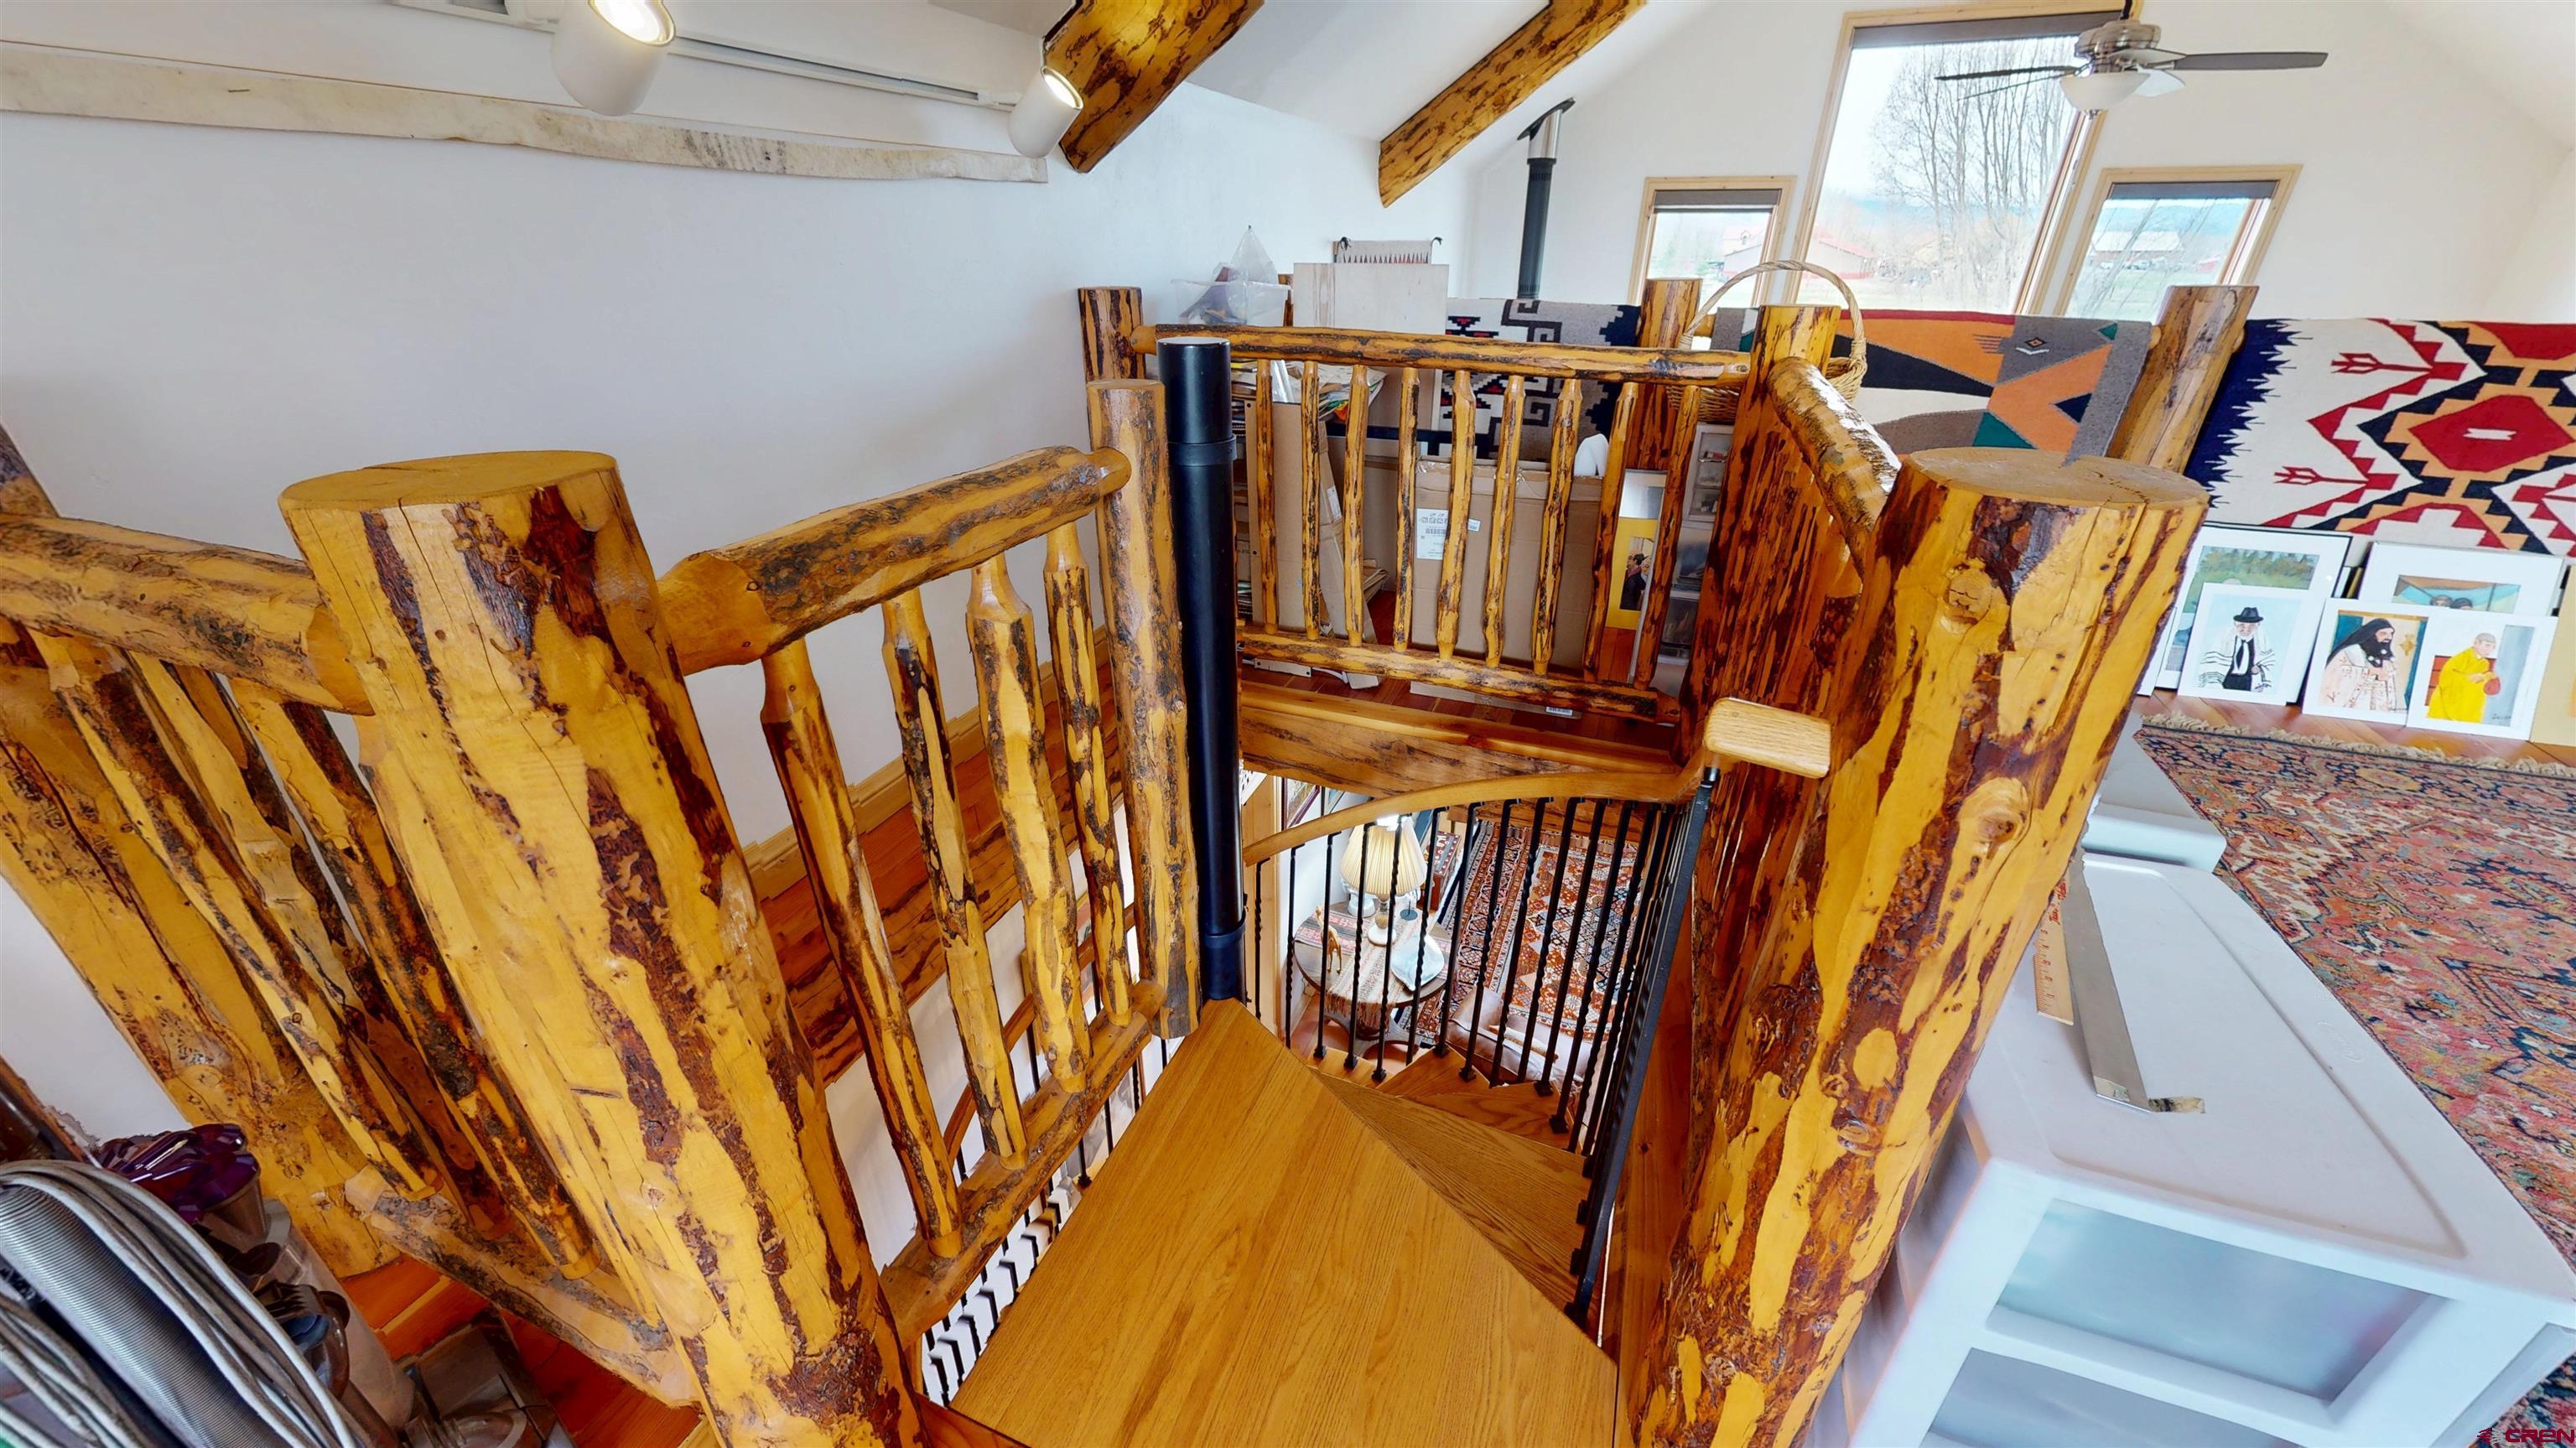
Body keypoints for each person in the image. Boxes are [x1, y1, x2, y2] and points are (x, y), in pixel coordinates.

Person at [2316, 616, 2407, 712]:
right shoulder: (2351, 651)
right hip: (2356, 703)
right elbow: (2332, 674)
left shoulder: (2387, 657)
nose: (2389, 637)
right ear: (2371, 634)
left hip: (2380, 705)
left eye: (2391, 634)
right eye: (2383, 633)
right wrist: (2369, 671)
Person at [2425, 632, 2504, 723]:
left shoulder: (2484, 663)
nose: (2489, 650)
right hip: (2448, 698)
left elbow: (2480, 680)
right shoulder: (2462, 657)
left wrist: (2487, 676)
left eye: (2493, 647)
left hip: (2468, 699)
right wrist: (2469, 678)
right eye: (2487, 645)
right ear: (2476, 643)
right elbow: (2446, 676)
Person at [2200, 605, 2277, 693]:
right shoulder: (2225, 640)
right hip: (2228, 679)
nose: (2246, 630)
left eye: (2251, 626)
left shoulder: (2261, 642)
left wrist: (2258, 670)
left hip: (2247, 681)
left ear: (2257, 626)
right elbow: (2213, 662)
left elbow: (2268, 663)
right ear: (2235, 624)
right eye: (2242, 625)